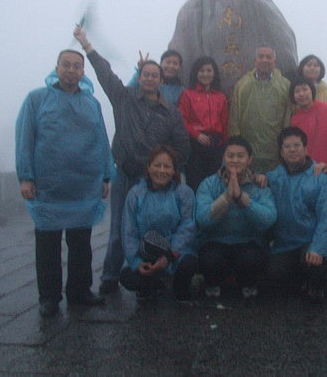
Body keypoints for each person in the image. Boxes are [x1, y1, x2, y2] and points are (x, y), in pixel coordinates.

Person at [73, 26, 190, 295]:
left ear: (161, 80)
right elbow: (105, 75)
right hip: (126, 175)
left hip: (154, 181)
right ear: (141, 76)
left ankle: (155, 270)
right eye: (146, 74)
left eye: (154, 76)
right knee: (117, 230)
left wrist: (173, 171)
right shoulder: (124, 98)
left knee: (153, 229)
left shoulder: (170, 112)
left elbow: (182, 144)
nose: (150, 79)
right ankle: (110, 277)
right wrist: (87, 46)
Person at [16, 49, 112, 317]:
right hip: (49, 186)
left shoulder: (92, 103)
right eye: (66, 65)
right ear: (56, 68)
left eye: (76, 66)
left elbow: (101, 140)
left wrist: (105, 176)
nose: (71, 70)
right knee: (48, 244)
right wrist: (26, 176)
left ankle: (80, 291)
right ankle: (49, 297)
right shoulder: (37, 100)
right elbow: (25, 138)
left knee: (81, 243)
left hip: (83, 185)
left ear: (83, 71)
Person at [196, 136, 277, 299]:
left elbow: (269, 219)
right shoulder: (209, 184)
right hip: (215, 241)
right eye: (230, 155)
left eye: (240, 156)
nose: (235, 160)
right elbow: (202, 219)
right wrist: (225, 198)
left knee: (250, 259)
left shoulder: (259, 184)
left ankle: (248, 285)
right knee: (210, 259)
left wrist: (243, 199)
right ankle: (213, 284)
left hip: (248, 242)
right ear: (223, 158)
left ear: (249, 160)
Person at [265, 127, 327, 302]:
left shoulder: (320, 177)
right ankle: (299, 280)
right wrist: (258, 178)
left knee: (314, 264)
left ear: (306, 149)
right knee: (274, 275)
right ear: (281, 152)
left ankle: (318, 284)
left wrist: (319, 248)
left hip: (311, 242)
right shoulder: (274, 177)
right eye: (287, 146)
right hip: (285, 243)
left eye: (297, 145)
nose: (292, 150)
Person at [120, 146, 198, 301]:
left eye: (167, 166)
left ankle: (178, 287)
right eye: (157, 165)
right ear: (148, 167)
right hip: (146, 252)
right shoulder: (136, 194)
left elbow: (188, 227)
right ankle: (152, 285)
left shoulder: (184, 192)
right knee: (127, 277)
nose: (161, 171)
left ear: (174, 170)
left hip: (175, 253)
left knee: (189, 264)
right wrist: (137, 262)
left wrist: (169, 256)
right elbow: (129, 231)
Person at [228, 46, 291, 173]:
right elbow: (234, 117)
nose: (265, 60)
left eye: (269, 57)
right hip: (248, 152)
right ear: (254, 61)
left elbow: (288, 117)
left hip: (274, 151)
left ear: (275, 61)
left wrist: (286, 143)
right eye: (261, 57)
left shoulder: (285, 85)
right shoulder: (242, 85)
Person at [178, 56, 228, 191]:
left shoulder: (221, 97)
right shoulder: (187, 94)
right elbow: (182, 119)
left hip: (215, 145)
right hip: (195, 144)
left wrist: (224, 146)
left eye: (209, 70)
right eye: (202, 71)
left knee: (215, 184)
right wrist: (197, 135)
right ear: (196, 73)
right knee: (195, 183)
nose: (205, 74)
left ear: (214, 73)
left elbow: (224, 123)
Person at [289, 77, 327, 174]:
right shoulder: (294, 119)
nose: (301, 94)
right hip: (310, 173)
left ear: (312, 91)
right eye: (297, 91)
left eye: (305, 89)